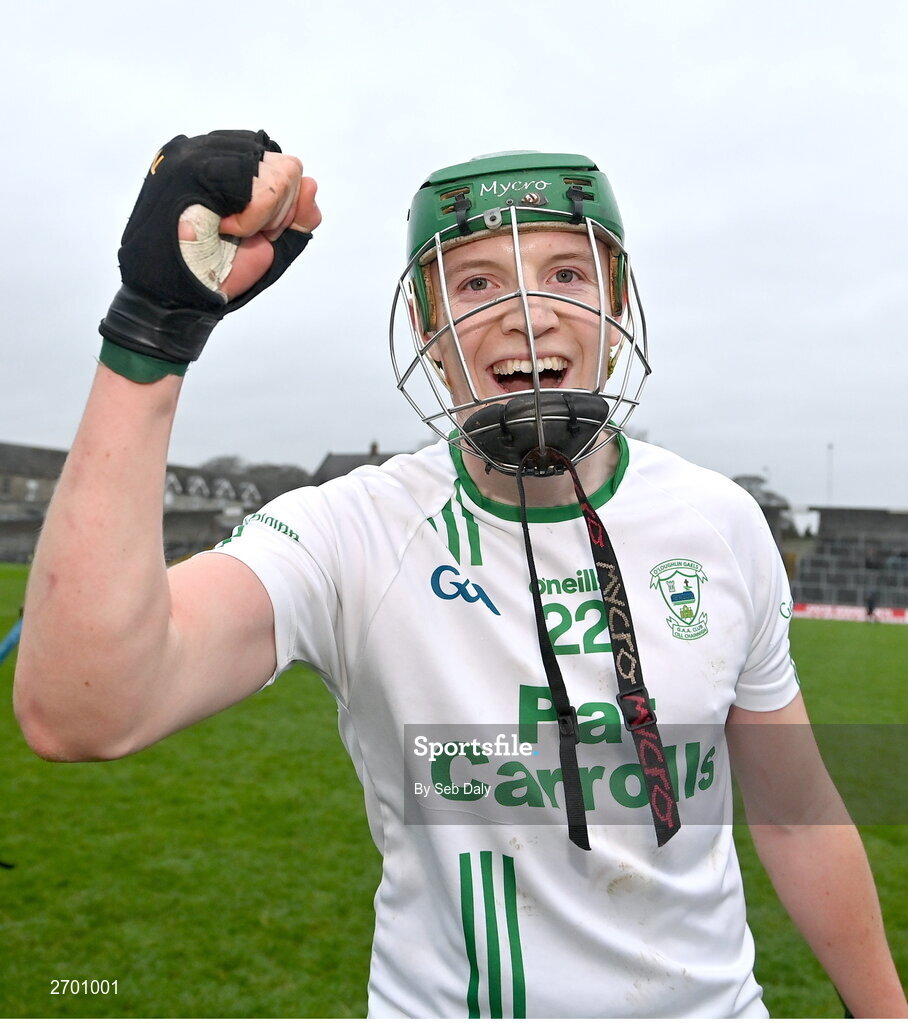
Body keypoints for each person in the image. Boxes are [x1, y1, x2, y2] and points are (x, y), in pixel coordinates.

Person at [13, 131, 905, 1019]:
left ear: (619, 304)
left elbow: (795, 814)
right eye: (477, 283)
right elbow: (84, 706)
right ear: (429, 333)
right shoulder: (353, 532)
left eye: (566, 274)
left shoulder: (720, 522)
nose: (527, 312)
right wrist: (150, 333)